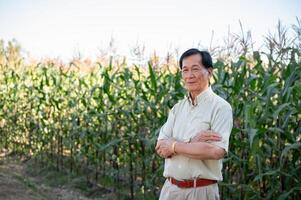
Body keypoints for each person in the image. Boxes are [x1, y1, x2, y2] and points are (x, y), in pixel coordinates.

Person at [155, 48, 233, 200]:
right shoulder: (177, 109)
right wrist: (191, 142)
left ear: (209, 72)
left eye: (195, 69)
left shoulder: (221, 107)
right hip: (170, 191)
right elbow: (160, 147)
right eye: (185, 70)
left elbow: (215, 152)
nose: (189, 75)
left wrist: (173, 146)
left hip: (201, 192)